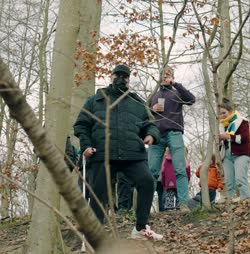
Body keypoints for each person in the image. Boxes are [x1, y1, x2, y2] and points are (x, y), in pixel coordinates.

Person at [74, 64, 163, 240]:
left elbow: (150, 124)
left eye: (125, 76)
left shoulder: (137, 101)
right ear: (111, 76)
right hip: (102, 154)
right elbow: (81, 125)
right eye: (118, 75)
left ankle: (140, 228)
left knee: (147, 182)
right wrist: (86, 145)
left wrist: (151, 135)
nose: (121, 78)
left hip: (132, 154)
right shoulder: (96, 100)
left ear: (129, 79)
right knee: (98, 193)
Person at [148, 66, 196, 213]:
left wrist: (175, 84)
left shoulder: (177, 93)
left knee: (180, 168)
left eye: (168, 75)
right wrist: (151, 110)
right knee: (151, 171)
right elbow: (144, 116)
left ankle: (183, 204)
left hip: (174, 133)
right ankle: (146, 206)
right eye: (163, 75)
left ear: (172, 77)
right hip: (156, 135)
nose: (165, 77)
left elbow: (191, 99)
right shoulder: (154, 96)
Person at [219, 98, 250, 199]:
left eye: (224, 113)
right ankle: (230, 203)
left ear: (230, 112)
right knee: (228, 182)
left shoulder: (242, 121)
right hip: (226, 156)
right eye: (220, 114)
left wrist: (229, 137)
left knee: (240, 179)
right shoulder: (220, 125)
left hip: (241, 153)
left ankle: (246, 200)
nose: (222, 115)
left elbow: (245, 138)